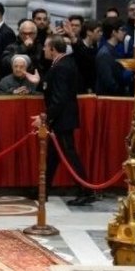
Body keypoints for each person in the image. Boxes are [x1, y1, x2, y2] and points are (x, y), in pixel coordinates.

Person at [31, 35, 94, 206]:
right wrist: (39, 81)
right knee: (52, 155)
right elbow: (53, 88)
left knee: (69, 154)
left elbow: (59, 98)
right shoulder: (63, 63)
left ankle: (86, 191)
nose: (43, 49)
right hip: (62, 118)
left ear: (53, 49)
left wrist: (44, 117)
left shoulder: (62, 67)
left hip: (63, 119)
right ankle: (43, 189)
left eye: (45, 46)